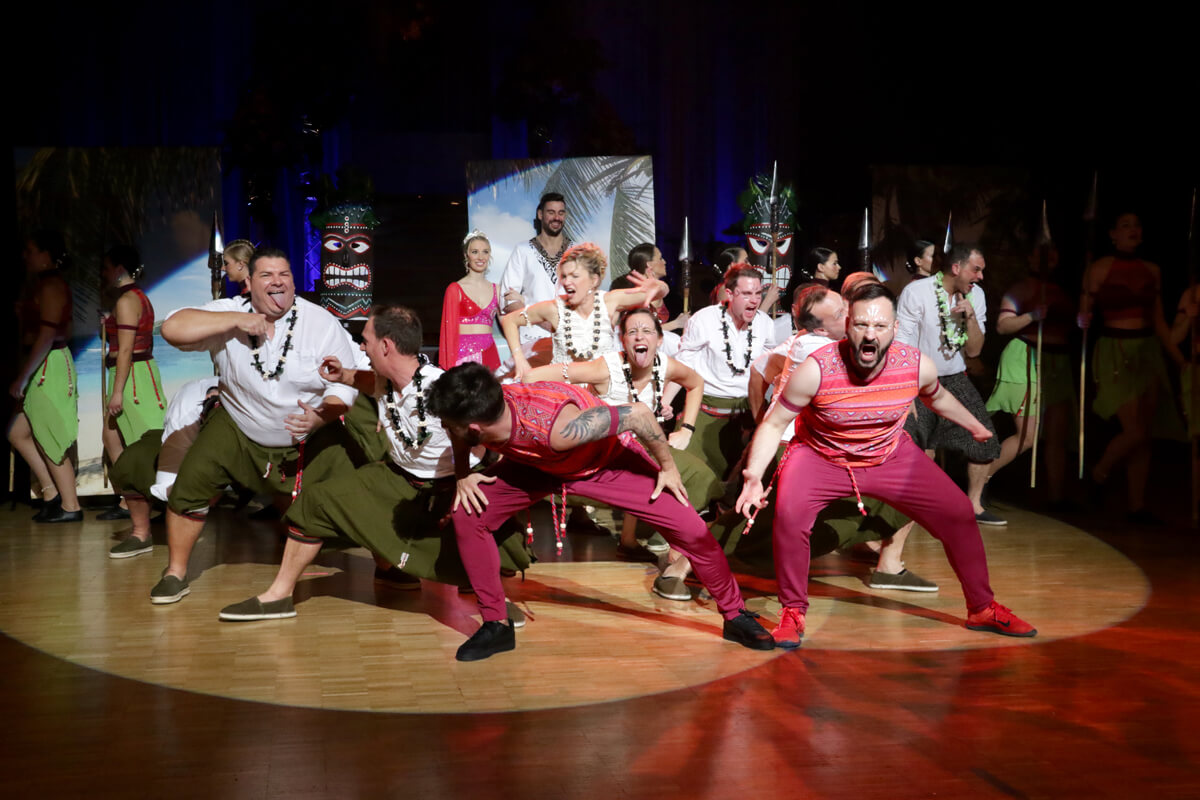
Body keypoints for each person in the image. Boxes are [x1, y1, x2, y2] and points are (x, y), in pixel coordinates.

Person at [737, 282, 1036, 648]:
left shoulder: (915, 365)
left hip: (889, 455)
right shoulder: (817, 370)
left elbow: (938, 397)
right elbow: (774, 424)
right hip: (821, 457)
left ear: (894, 328)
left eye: (880, 326)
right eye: (862, 324)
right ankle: (793, 611)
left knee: (959, 512)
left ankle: (982, 608)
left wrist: (974, 425)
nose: (870, 334)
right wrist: (754, 477)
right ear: (848, 325)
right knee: (789, 517)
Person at [426, 363, 775, 661]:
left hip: (606, 465)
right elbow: (459, 433)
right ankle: (496, 624)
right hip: (537, 466)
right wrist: (462, 476)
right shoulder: (484, 409)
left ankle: (735, 615)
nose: (447, 429)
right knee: (468, 513)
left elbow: (638, 414)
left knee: (691, 531)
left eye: (450, 425)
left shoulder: (556, 428)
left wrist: (668, 467)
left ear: (475, 429)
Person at [218, 305, 531, 622]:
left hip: (452, 485)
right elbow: (373, 385)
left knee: (474, 536)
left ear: (386, 346)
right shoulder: (389, 381)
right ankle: (278, 597)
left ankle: (493, 599)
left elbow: (473, 432)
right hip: (399, 478)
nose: (361, 347)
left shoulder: (438, 388)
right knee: (316, 502)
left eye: (365, 340)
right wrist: (343, 376)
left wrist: (464, 476)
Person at [148, 247, 361, 604]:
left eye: (284, 274)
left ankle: (391, 565)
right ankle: (175, 573)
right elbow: (171, 328)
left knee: (361, 492)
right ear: (249, 282)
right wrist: (236, 321)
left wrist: (321, 416)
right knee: (191, 485)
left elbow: (343, 386)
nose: (278, 281)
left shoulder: (320, 322)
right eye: (267, 275)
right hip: (238, 424)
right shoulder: (230, 313)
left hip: (308, 432)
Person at [728, 281, 936, 592]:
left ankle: (886, 562)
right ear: (822, 329)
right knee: (766, 528)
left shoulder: (802, 339)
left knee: (903, 486)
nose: (850, 314)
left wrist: (764, 419)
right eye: (841, 313)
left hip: (804, 447)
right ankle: (695, 559)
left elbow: (760, 367)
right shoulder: (822, 351)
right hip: (800, 450)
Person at [523, 307, 721, 600]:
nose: (640, 336)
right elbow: (535, 377)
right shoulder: (605, 368)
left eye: (647, 331)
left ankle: (673, 564)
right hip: (602, 455)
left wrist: (687, 429)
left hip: (642, 450)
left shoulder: (665, 365)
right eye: (632, 332)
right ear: (624, 340)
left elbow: (696, 382)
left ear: (659, 339)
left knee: (701, 481)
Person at [1081, 212, 1184, 523]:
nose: (1133, 230)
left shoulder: (1153, 271)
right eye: (1125, 225)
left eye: (1137, 225)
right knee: (1134, 430)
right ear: (1113, 234)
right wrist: (1082, 318)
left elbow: (1160, 322)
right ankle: (1098, 474)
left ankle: (1136, 506)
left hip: (1147, 351)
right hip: (1115, 350)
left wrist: (1181, 361)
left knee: (1144, 434)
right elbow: (1083, 312)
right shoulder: (1099, 268)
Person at [896, 243, 1003, 525]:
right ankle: (918, 509)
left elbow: (974, 351)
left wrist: (970, 317)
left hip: (955, 377)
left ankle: (974, 506)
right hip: (919, 378)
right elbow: (902, 344)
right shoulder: (917, 292)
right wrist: (906, 391)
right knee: (921, 446)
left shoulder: (976, 295)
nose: (980, 276)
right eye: (976, 270)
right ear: (956, 268)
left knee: (985, 442)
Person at [985, 244, 1076, 508]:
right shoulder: (1021, 289)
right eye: (1041, 253)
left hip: (1057, 364)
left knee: (1057, 436)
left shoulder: (1061, 292)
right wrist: (1032, 316)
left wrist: (1080, 321)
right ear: (1031, 258)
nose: (1048, 258)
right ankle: (980, 480)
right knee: (1027, 436)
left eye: (1053, 252)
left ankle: (1056, 498)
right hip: (1026, 359)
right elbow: (1003, 326)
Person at [500, 242, 668, 378]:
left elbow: (659, 291)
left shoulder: (610, 301)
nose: (567, 282)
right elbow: (509, 320)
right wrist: (519, 359)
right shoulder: (554, 308)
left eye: (574, 276)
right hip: (565, 391)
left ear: (593, 280)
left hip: (602, 390)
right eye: (564, 276)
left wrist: (660, 286)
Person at [676, 264, 779, 480]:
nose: (755, 300)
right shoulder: (704, 319)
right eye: (747, 294)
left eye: (758, 293)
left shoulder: (765, 324)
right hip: (705, 411)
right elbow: (683, 367)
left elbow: (771, 364)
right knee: (689, 473)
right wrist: (665, 402)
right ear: (730, 294)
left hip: (748, 412)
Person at [9, 230, 81, 523]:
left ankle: (71, 506)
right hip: (42, 361)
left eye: (31, 251)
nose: (25, 256)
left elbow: (49, 335)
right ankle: (51, 494)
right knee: (17, 433)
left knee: (49, 436)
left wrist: (23, 377)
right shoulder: (42, 285)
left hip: (48, 365)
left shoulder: (52, 286)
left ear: (46, 255)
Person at [107, 377, 219, 558]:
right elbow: (172, 453)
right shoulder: (187, 406)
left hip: (248, 438)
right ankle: (141, 534)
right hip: (189, 440)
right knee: (137, 457)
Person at [99, 245, 167, 520]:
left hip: (132, 376)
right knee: (112, 437)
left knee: (142, 441)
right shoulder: (136, 298)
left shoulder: (128, 300)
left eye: (106, 268)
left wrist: (117, 392)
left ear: (118, 269)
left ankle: (148, 500)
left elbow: (127, 349)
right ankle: (132, 499)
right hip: (131, 372)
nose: (103, 274)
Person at [498, 192, 572, 349]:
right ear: (540, 214)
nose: (556, 218)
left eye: (561, 213)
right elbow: (508, 300)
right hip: (532, 340)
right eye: (551, 212)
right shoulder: (523, 250)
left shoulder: (576, 251)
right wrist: (547, 323)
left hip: (570, 340)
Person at [439, 230, 500, 370]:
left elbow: (508, 323)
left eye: (485, 252)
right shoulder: (455, 289)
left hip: (489, 354)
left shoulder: (497, 289)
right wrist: (449, 368)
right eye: (475, 252)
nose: (480, 257)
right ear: (466, 255)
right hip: (462, 357)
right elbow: (448, 332)